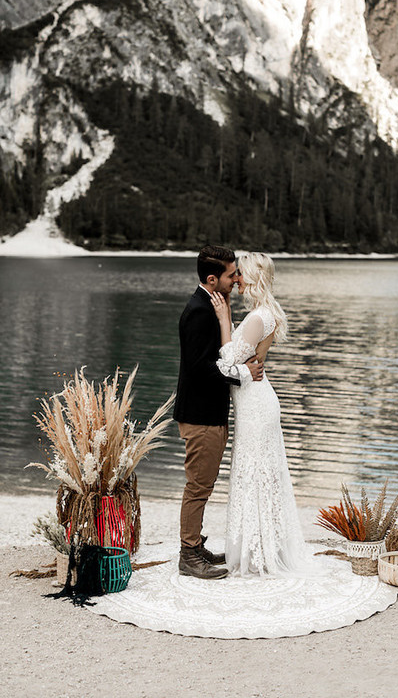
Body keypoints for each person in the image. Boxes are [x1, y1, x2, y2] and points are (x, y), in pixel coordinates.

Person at [211, 252, 308, 576]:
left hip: (256, 406)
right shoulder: (262, 313)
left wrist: (224, 322)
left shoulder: (257, 318)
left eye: (240, 274)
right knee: (258, 477)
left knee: (255, 475)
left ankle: (260, 554)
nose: (236, 279)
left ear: (252, 277)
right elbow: (239, 362)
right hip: (255, 402)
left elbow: (226, 362)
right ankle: (261, 548)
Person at [173, 245, 264, 580]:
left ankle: (196, 546)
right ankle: (188, 554)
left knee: (204, 484)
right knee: (198, 487)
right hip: (199, 416)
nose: (235, 278)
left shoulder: (213, 304)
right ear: (212, 278)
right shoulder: (198, 310)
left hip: (209, 413)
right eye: (230, 274)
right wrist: (244, 373)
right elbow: (200, 369)